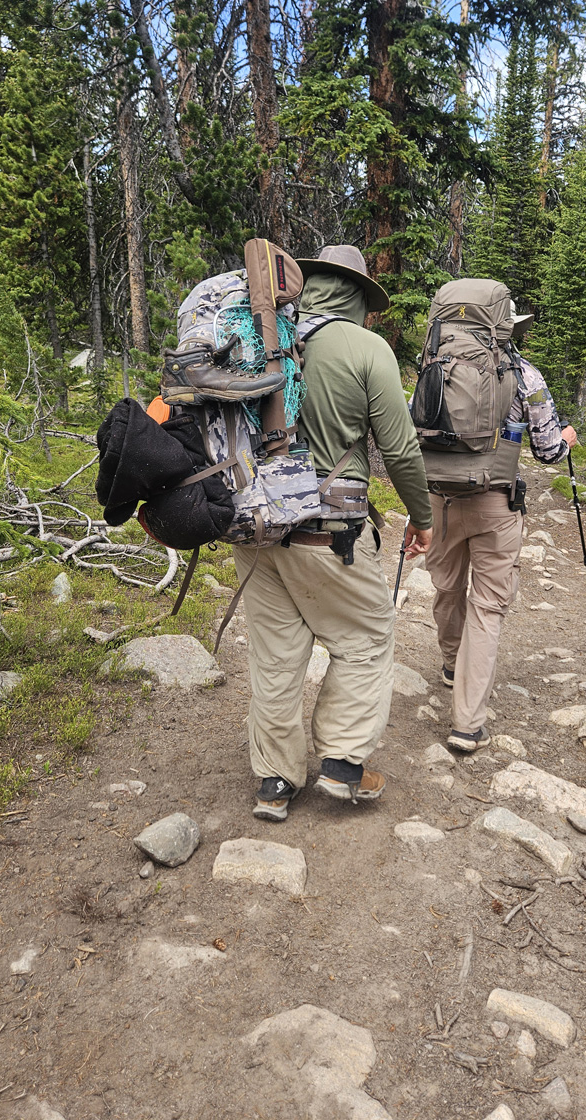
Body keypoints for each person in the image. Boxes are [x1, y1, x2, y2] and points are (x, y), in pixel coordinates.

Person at [233, 245, 433, 821]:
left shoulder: (258, 335)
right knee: (366, 638)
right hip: (329, 531)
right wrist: (423, 520)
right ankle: (343, 766)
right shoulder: (367, 349)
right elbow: (398, 450)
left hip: (255, 528)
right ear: (362, 299)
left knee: (276, 655)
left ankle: (274, 782)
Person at [423, 295, 577, 752]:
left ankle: (452, 665)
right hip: (495, 502)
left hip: (440, 499)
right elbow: (548, 450)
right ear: (508, 329)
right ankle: (467, 724)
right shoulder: (524, 374)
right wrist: (567, 438)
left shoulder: (432, 365)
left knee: (447, 586)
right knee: (488, 607)